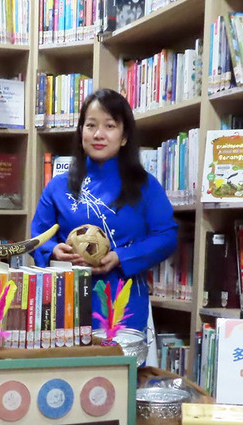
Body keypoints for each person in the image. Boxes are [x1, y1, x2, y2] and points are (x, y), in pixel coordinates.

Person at [30, 88, 177, 335]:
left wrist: (121, 257)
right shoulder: (57, 187)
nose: (98, 134)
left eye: (109, 126)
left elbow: (167, 236)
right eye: (91, 126)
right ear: (81, 132)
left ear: (124, 136)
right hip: (66, 302)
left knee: (117, 360)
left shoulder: (146, 186)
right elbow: (37, 237)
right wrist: (54, 251)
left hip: (124, 302)